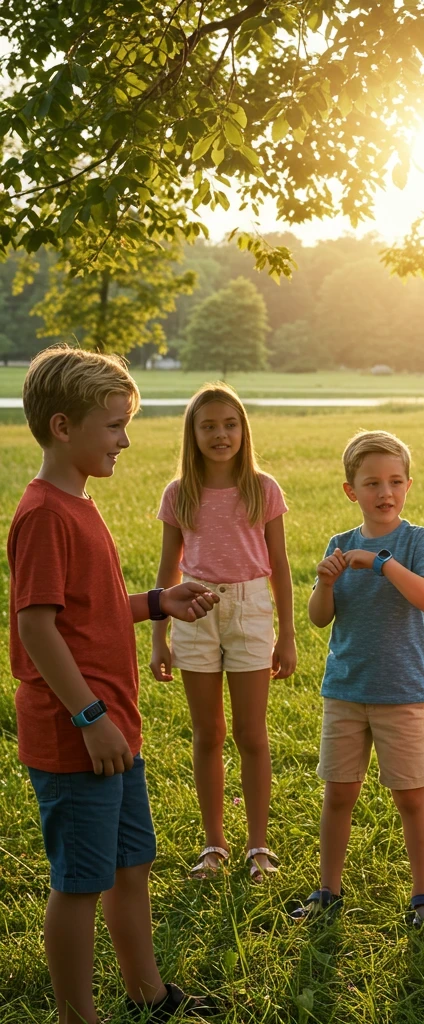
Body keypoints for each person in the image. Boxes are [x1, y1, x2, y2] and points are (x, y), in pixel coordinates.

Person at [9, 344, 219, 1023]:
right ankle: (79, 1016)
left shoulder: (79, 503)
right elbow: (36, 629)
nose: (126, 439)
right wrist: (90, 715)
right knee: (80, 882)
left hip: (112, 727)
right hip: (81, 734)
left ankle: (148, 995)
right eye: (114, 425)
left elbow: (86, 611)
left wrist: (157, 602)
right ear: (64, 426)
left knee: (132, 864)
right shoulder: (44, 513)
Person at [291, 430, 424, 926]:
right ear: (350, 490)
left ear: (408, 485)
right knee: (339, 792)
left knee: (410, 796)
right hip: (345, 690)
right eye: (372, 482)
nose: (386, 493)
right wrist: (327, 581)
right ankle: (327, 890)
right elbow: (319, 617)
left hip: (400, 690)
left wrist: (379, 562)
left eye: (396, 481)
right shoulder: (340, 544)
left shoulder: (418, 540)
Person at [150, 383, 295, 883]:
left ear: (243, 430)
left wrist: (288, 634)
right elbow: (168, 570)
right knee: (208, 733)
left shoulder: (262, 488)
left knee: (251, 734)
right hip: (193, 610)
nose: (220, 434)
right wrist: (157, 638)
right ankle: (214, 845)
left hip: (251, 609)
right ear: (192, 433)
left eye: (230, 424)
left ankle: (259, 846)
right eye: (208, 425)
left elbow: (279, 565)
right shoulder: (179, 494)